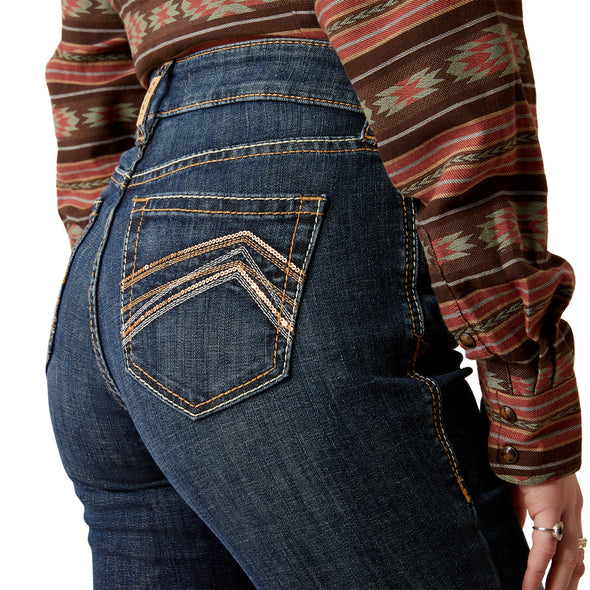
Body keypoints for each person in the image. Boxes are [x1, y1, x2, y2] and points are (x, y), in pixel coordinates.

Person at [45, 1, 584, 588]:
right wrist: (530, 406)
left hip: (109, 272)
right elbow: (431, 40)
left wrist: (135, 285)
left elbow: (89, 70)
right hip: (280, 219)